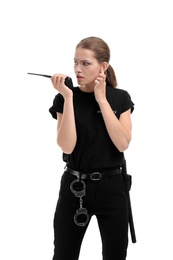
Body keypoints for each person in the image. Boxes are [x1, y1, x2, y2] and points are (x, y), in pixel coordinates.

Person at [49, 36, 135, 260]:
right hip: (75, 188)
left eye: (85, 63)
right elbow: (66, 145)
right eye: (75, 62)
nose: (78, 69)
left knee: (115, 256)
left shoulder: (120, 98)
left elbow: (122, 143)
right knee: (64, 255)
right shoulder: (65, 98)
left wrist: (102, 100)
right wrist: (68, 98)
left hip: (113, 188)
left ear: (103, 66)